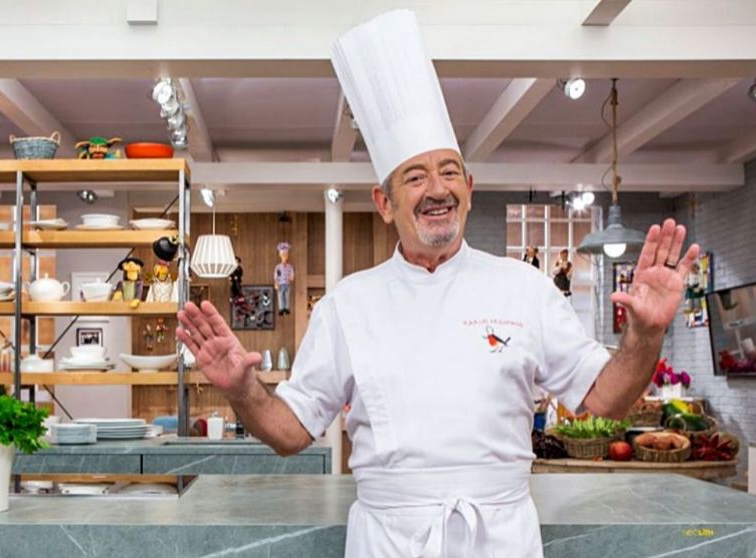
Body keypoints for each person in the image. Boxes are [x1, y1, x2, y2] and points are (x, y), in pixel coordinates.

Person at [176, 10, 698, 557]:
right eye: (415, 176)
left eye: (449, 171)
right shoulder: (349, 304)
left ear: (468, 188)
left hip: (500, 540)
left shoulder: (525, 289)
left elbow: (609, 399)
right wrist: (242, 389)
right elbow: (291, 432)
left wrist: (646, 334)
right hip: (389, 542)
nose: (437, 189)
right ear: (384, 202)